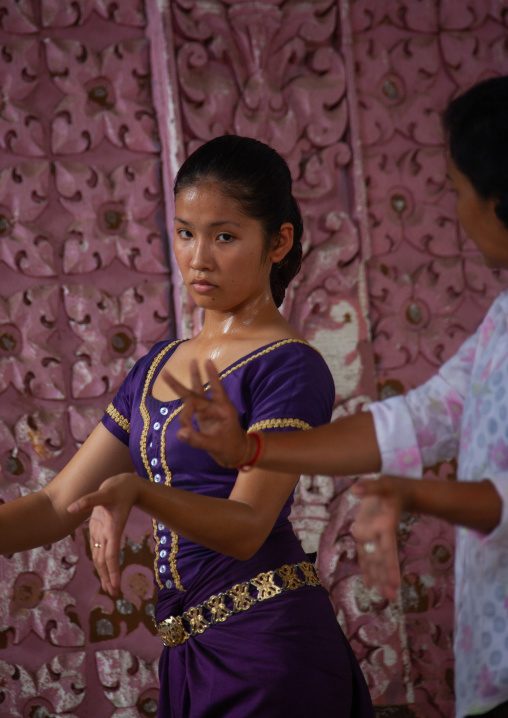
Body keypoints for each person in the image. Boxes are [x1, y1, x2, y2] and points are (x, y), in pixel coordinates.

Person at [166, 77, 508, 718]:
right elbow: (417, 417)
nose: (457, 213)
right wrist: (251, 446)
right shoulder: (502, 322)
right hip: (492, 655)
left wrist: (409, 491)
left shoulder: (289, 365)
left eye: (459, 191)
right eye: (185, 232)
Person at [0, 134, 374, 717]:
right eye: (185, 232)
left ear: (278, 242)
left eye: (224, 236)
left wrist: (139, 491)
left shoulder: (291, 366)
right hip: (188, 653)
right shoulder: (154, 368)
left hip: (271, 650)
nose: (198, 257)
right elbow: (54, 506)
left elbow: (249, 525)